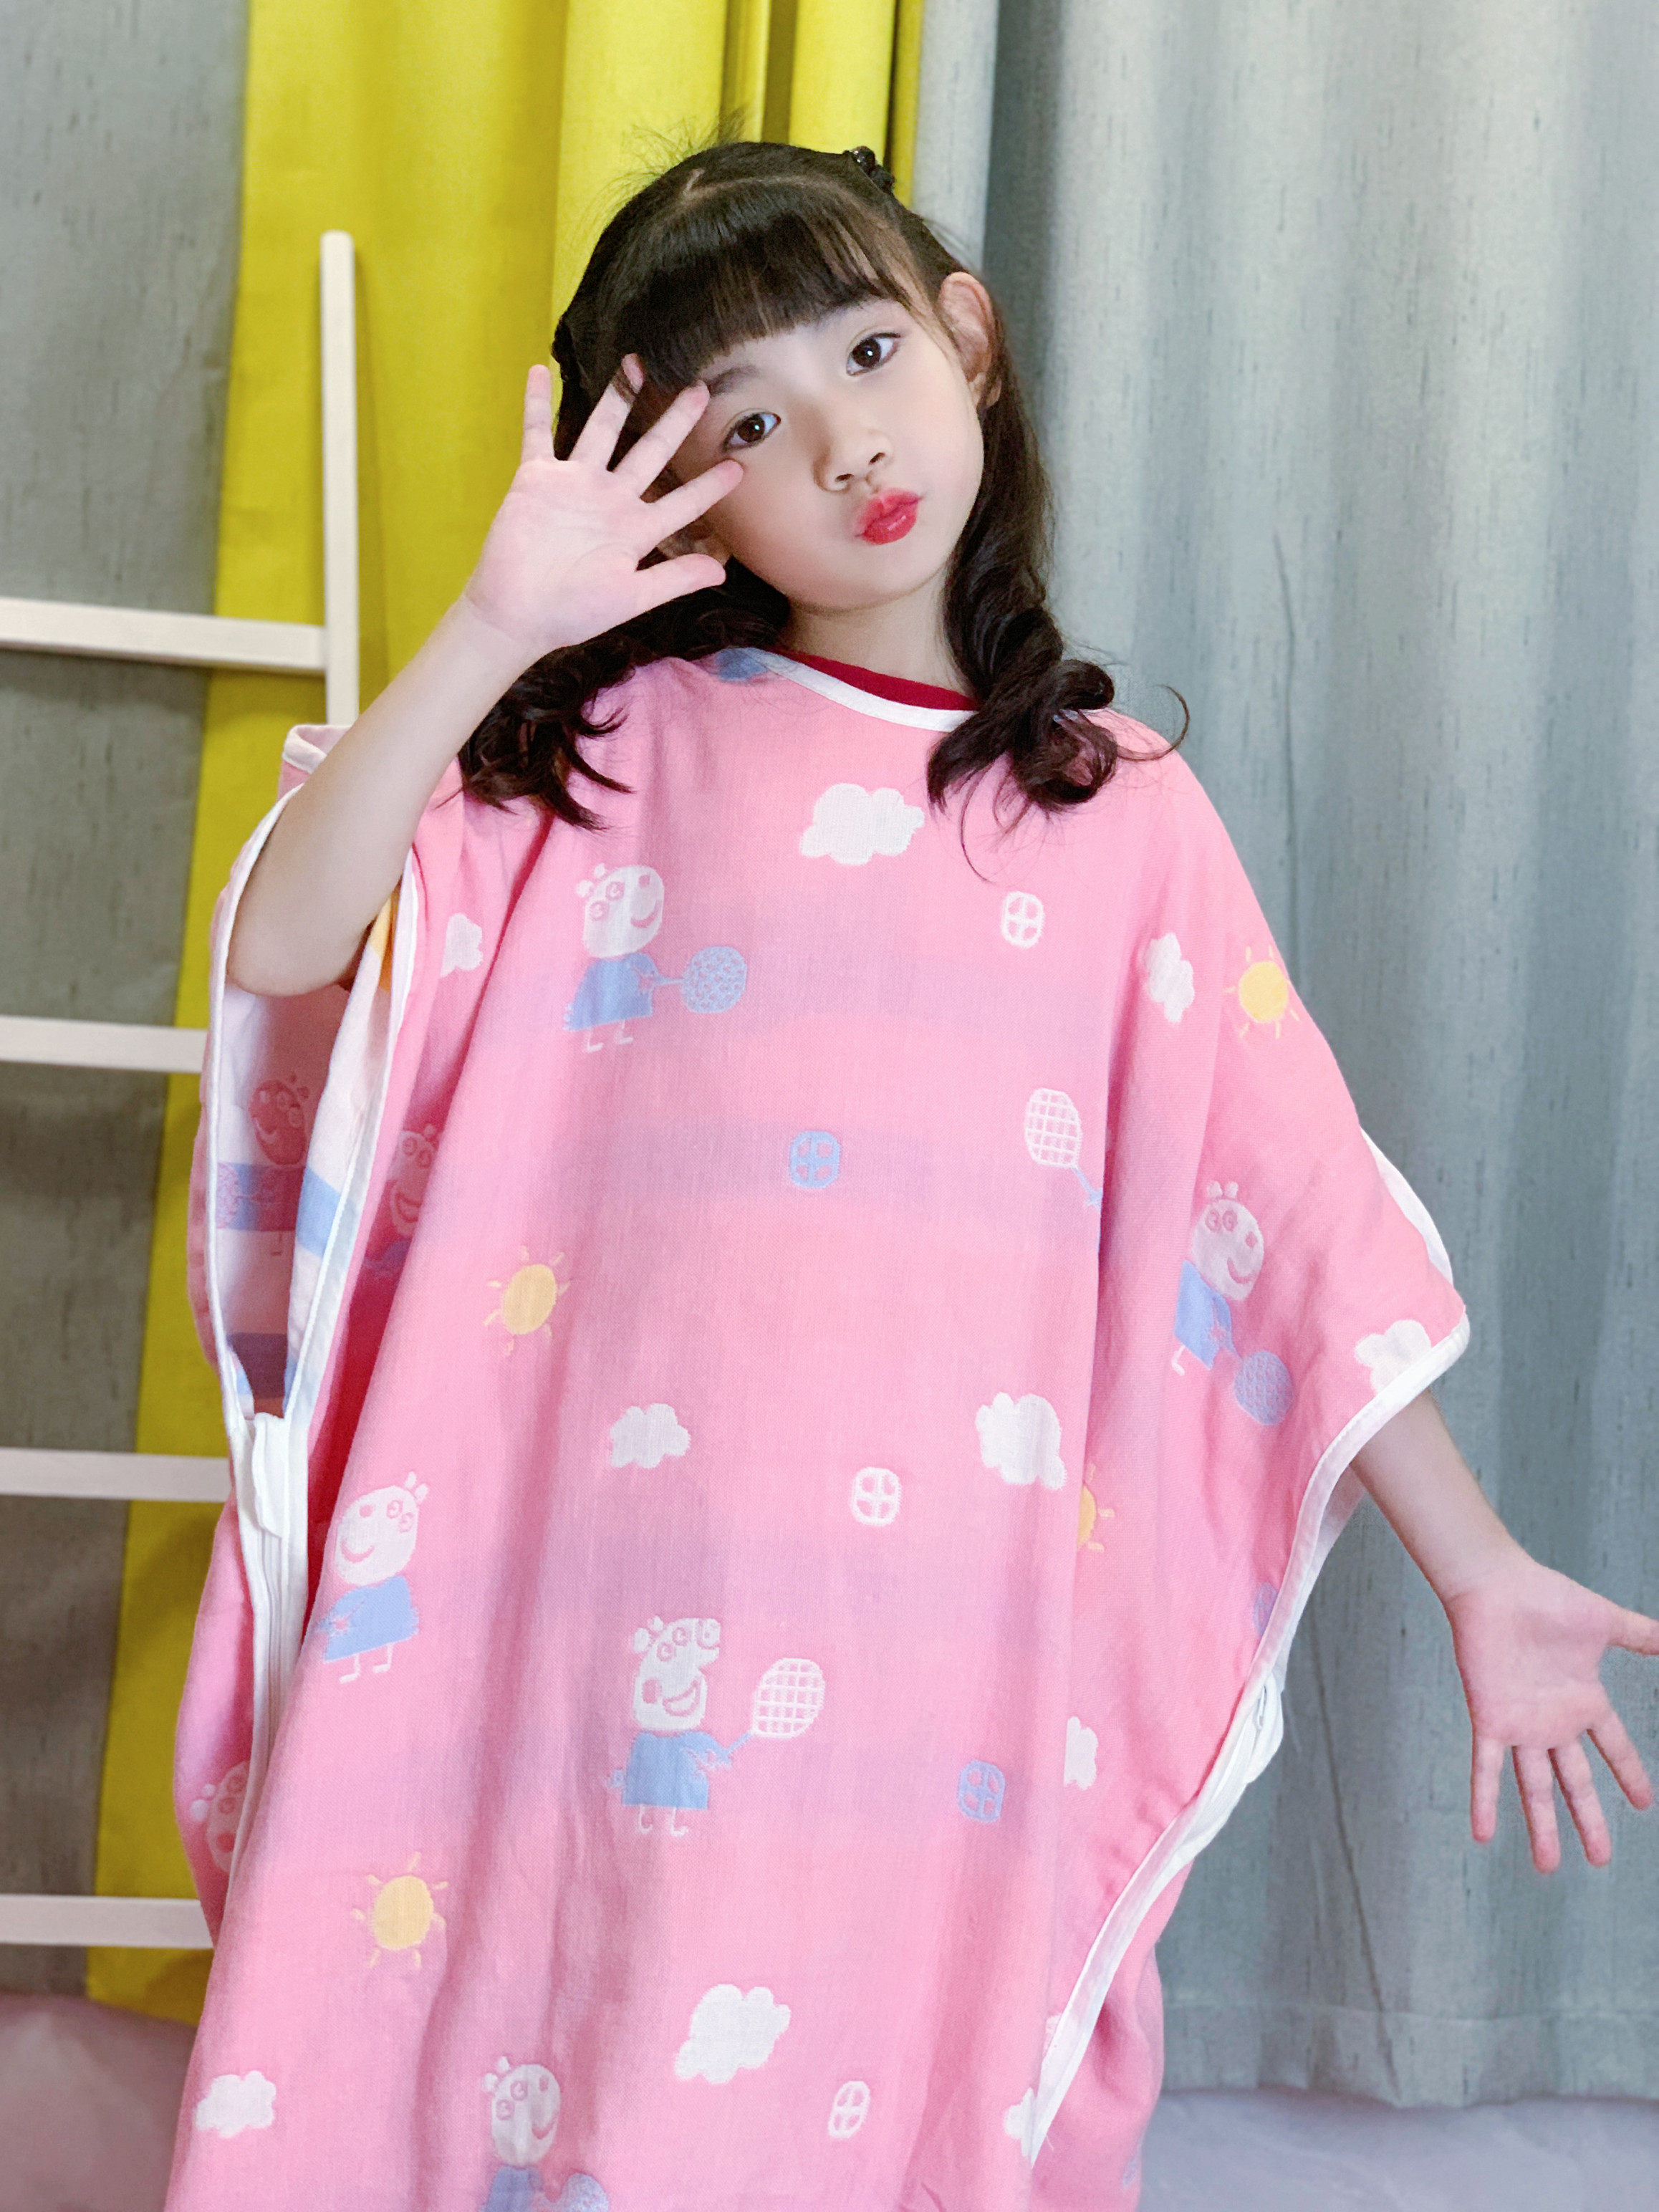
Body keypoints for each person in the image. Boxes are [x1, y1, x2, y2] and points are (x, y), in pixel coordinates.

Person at [163, 139, 1658, 2211]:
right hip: (577, 1599)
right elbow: (290, 946)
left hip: (917, 1654)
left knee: (830, 2098)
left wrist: (1479, 1571)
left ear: (969, 339)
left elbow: (1291, 1217)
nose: (845, 443)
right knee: (541, 2050)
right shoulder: (601, 762)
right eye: (749, 424)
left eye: (869, 354)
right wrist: (495, 626)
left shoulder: (1113, 819)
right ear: (684, 497)